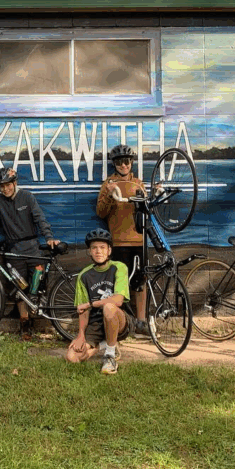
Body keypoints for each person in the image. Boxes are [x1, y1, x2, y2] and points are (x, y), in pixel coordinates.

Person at [0, 166, 59, 340]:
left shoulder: (27, 197)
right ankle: (25, 322)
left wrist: (49, 238)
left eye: (8, 185)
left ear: (15, 183)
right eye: (1, 186)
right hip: (13, 250)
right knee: (18, 288)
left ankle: (38, 313)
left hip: (32, 247)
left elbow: (40, 218)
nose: (5, 189)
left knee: (37, 281)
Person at [95, 144, 149, 335]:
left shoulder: (139, 183)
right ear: (114, 164)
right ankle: (123, 323)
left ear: (131, 162)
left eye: (127, 161)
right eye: (119, 162)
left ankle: (142, 322)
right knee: (120, 284)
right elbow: (100, 212)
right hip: (118, 242)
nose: (124, 165)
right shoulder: (108, 183)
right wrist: (110, 195)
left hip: (139, 240)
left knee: (141, 281)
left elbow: (147, 211)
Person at [65, 229, 130, 374]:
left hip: (119, 320)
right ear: (89, 251)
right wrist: (81, 335)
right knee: (72, 357)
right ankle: (103, 345)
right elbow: (83, 310)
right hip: (96, 324)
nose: (98, 251)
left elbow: (118, 300)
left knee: (109, 307)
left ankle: (110, 356)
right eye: (94, 248)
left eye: (102, 247)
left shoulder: (119, 268)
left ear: (109, 250)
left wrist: (91, 304)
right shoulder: (84, 276)